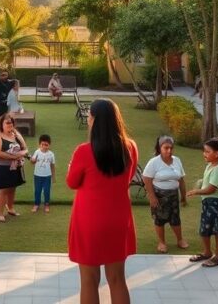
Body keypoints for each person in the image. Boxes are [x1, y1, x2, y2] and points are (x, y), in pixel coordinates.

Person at [67, 99, 137, 304]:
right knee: (117, 279)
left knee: (89, 280)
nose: (88, 119)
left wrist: (73, 166)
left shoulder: (83, 151)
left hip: (89, 221)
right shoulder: (130, 148)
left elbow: (72, 182)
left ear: (95, 120)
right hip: (118, 219)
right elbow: (128, 177)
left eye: (90, 115)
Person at [142, 135, 188, 253]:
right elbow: (146, 179)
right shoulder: (154, 162)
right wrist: (152, 196)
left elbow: (181, 180)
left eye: (171, 148)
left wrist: (183, 196)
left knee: (175, 219)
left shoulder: (177, 160)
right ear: (160, 147)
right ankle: (162, 242)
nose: (169, 150)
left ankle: (180, 239)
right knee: (160, 219)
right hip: (159, 196)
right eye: (166, 148)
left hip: (173, 195)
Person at [186, 138, 218, 268]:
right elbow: (207, 182)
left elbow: (211, 189)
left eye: (207, 151)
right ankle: (207, 252)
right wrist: (200, 182)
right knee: (205, 229)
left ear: (216, 154)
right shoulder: (210, 165)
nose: (204, 154)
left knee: (217, 230)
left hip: (215, 204)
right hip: (208, 203)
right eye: (204, 151)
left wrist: (196, 191)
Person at [0, 113, 28, 222]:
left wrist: (18, 136)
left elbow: (25, 148)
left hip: (16, 167)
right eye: (7, 122)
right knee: (3, 190)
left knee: (12, 188)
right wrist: (15, 156)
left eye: (11, 122)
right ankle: (0, 213)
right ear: (1, 124)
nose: (9, 124)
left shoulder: (15, 135)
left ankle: (10, 208)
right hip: (3, 168)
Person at [30, 133, 56, 213]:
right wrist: (32, 159)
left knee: (47, 190)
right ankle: (36, 204)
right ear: (39, 144)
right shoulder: (37, 152)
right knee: (37, 190)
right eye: (42, 144)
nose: (44, 146)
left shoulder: (51, 154)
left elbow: (52, 165)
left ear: (49, 145)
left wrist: (53, 176)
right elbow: (32, 162)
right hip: (37, 175)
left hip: (47, 176)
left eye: (46, 145)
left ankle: (46, 204)